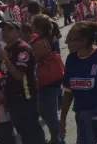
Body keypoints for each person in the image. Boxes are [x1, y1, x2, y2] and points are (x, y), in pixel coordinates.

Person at [0, 20, 46, 144]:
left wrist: (6, 59)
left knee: (31, 132)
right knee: (22, 132)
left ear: (18, 32)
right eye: (3, 29)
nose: (5, 32)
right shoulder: (6, 49)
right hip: (13, 98)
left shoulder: (22, 49)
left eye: (9, 29)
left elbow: (19, 75)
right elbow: (5, 75)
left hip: (25, 98)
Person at [31, 14, 62, 144]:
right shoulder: (52, 37)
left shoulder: (39, 43)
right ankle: (58, 137)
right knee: (51, 110)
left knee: (48, 113)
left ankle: (58, 139)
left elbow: (32, 62)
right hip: (55, 77)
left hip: (46, 79)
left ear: (38, 28)